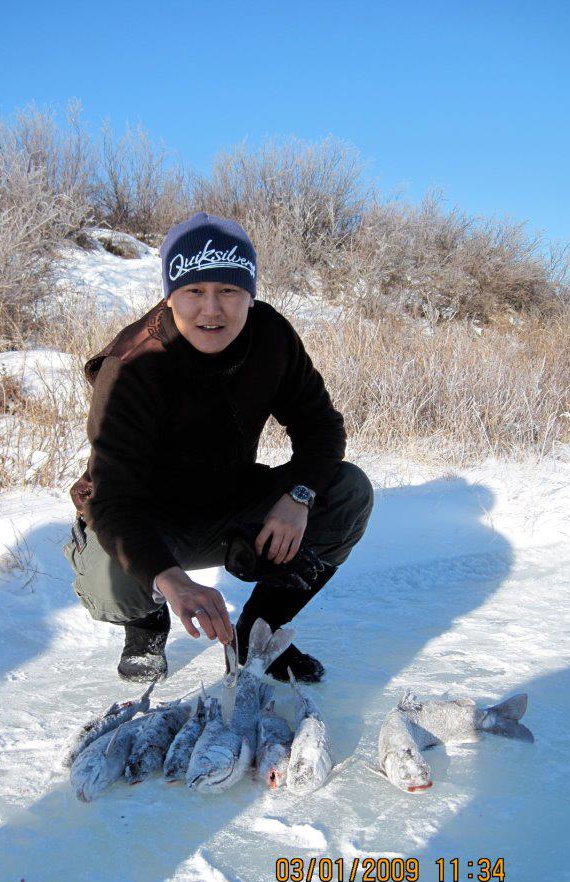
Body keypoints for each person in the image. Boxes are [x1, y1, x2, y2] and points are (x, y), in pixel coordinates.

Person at [63, 212, 374, 684]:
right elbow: (114, 500)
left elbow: (320, 426)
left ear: (250, 294)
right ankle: (145, 626)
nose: (212, 310)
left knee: (348, 490)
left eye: (228, 290)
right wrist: (171, 579)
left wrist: (299, 497)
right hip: (146, 516)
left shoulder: (270, 336)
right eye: (194, 291)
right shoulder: (131, 366)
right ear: (170, 296)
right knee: (112, 572)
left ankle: (258, 631)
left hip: (230, 501)